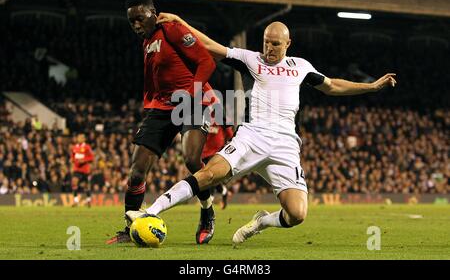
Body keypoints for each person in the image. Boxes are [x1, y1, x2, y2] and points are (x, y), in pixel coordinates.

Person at [125, 13, 397, 245]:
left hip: (285, 145)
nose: (270, 48)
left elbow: (333, 85)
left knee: (297, 214)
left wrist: (372, 87)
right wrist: (180, 22)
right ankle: (150, 211)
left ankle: (260, 222)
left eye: (276, 44)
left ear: (288, 44)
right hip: (251, 136)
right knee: (208, 173)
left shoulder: (300, 67)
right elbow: (209, 45)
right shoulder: (250, 59)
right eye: (266, 42)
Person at [107, 0, 218, 245]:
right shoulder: (146, 42)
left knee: (191, 160)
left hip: (192, 102)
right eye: (131, 21)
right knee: (136, 172)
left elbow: (206, 62)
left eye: (140, 18)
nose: (136, 24)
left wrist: (192, 93)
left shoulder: (171, 30)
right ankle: (131, 227)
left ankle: (207, 210)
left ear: (153, 13)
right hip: (161, 108)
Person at [70, 133, 94, 207]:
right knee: (74, 182)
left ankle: (88, 200)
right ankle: (75, 201)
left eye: (81, 138)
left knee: (86, 186)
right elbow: (73, 157)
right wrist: (73, 160)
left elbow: (92, 158)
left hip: (85, 169)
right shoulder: (74, 147)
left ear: (84, 139)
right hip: (76, 169)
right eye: (78, 137)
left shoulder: (87, 147)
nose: (79, 139)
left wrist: (84, 160)